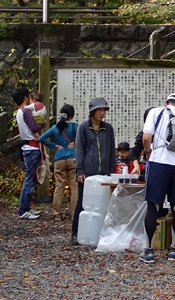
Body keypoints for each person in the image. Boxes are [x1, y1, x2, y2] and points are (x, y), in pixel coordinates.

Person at [140, 93, 175, 263]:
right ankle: (174, 250)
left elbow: (146, 137)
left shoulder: (155, 112)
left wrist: (148, 152)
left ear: (165, 103)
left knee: (153, 205)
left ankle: (149, 251)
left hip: (159, 162)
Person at [71, 97, 116, 246]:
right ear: (92, 111)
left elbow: (111, 150)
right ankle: (75, 233)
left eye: (104, 110)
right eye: (99, 110)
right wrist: (79, 170)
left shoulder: (108, 128)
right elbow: (79, 150)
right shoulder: (83, 127)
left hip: (104, 173)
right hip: (87, 173)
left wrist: (111, 170)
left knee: (103, 205)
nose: (102, 113)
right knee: (83, 204)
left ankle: (100, 234)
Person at [38, 104, 77, 221]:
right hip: (73, 158)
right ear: (71, 115)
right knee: (75, 186)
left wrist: (54, 146)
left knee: (59, 186)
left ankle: (57, 214)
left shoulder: (55, 128)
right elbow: (85, 137)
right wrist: (75, 143)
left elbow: (41, 138)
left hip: (59, 158)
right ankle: (73, 213)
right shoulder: (75, 126)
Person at [13, 87, 45, 220]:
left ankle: (26, 207)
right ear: (26, 98)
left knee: (30, 178)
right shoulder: (26, 111)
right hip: (32, 147)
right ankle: (23, 210)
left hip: (28, 147)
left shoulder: (19, 112)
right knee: (29, 179)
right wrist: (42, 123)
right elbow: (34, 127)